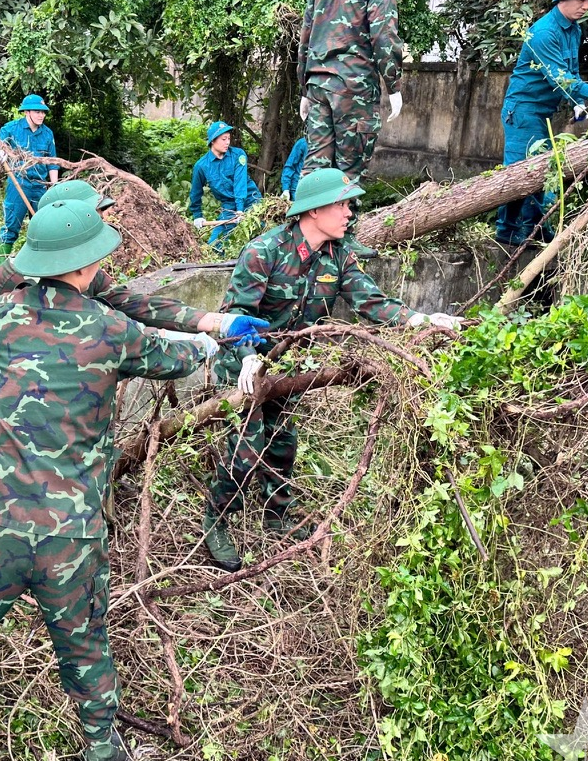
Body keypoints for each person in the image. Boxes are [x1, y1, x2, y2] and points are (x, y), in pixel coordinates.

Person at [0, 198, 222, 761]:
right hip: (70, 533)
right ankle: (101, 757)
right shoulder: (113, 331)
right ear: (84, 262)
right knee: (84, 646)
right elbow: (176, 358)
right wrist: (217, 344)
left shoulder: (5, 315)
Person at [0, 178, 268, 643]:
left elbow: (132, 303)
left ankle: (20, 580)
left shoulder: (76, 267)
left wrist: (211, 320)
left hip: (23, 395)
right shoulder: (14, 277)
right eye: (96, 214)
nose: (106, 223)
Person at [202, 168, 463, 571]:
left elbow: (371, 302)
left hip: (288, 366)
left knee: (283, 443)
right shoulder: (264, 252)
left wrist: (420, 320)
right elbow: (235, 314)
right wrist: (247, 354)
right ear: (313, 211)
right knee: (246, 448)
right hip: (245, 363)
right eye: (341, 204)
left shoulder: (337, 256)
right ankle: (216, 522)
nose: (348, 213)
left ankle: (276, 517)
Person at [495, 0, 588, 247]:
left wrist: (578, 102)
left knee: (540, 171)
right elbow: (558, 76)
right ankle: (508, 230)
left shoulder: (573, 29)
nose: (587, 7)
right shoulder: (544, 32)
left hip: (543, 111)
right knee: (521, 173)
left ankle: (534, 229)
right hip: (523, 111)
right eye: (582, 0)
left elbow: (569, 70)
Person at [298, 0, 404, 185]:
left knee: (315, 176)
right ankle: (346, 229)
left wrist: (304, 90)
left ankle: (304, 228)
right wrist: (393, 86)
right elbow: (384, 36)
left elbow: (306, 39)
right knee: (348, 177)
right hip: (353, 90)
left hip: (318, 85)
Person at [0, 94, 58, 264]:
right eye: (37, 112)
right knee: (11, 226)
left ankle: (42, 267)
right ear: (26, 112)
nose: (41, 115)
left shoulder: (47, 133)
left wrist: (54, 186)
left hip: (40, 187)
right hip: (18, 184)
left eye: (43, 112)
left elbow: (52, 162)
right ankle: (1, 269)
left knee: (42, 228)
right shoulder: (12, 128)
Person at [189, 120, 260, 250]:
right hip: (229, 207)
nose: (227, 142)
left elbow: (240, 183)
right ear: (212, 141)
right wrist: (197, 215)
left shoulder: (238, 155)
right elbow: (195, 193)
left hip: (251, 200)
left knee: (261, 235)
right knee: (215, 245)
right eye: (223, 139)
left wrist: (240, 211)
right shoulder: (202, 166)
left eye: (228, 138)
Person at [280, 136, 307, 200]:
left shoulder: (328, 143)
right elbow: (290, 166)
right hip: (299, 189)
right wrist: (286, 189)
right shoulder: (303, 143)